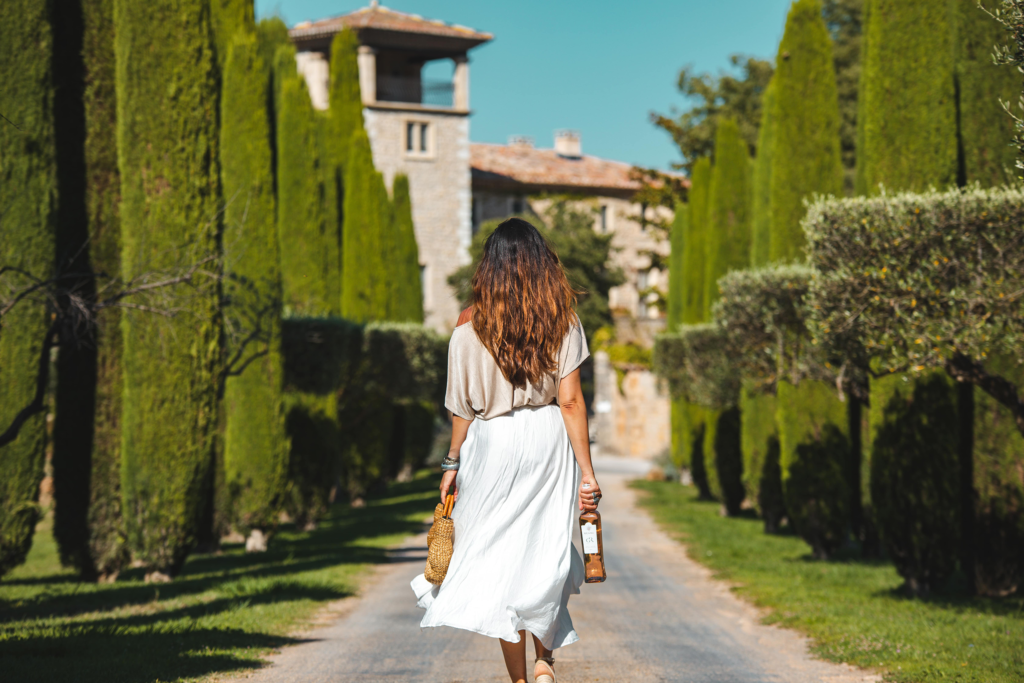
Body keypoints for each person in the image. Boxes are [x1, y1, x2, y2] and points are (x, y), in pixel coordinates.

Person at [411, 217, 602, 683]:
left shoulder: (466, 325)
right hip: (547, 440)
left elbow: (461, 409)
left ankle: (521, 678)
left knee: (501, 558)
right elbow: (571, 400)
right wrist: (588, 472)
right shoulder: (563, 321)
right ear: (542, 263)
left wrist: (451, 462)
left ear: (489, 267)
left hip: (491, 443)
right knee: (544, 550)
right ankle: (545, 662)